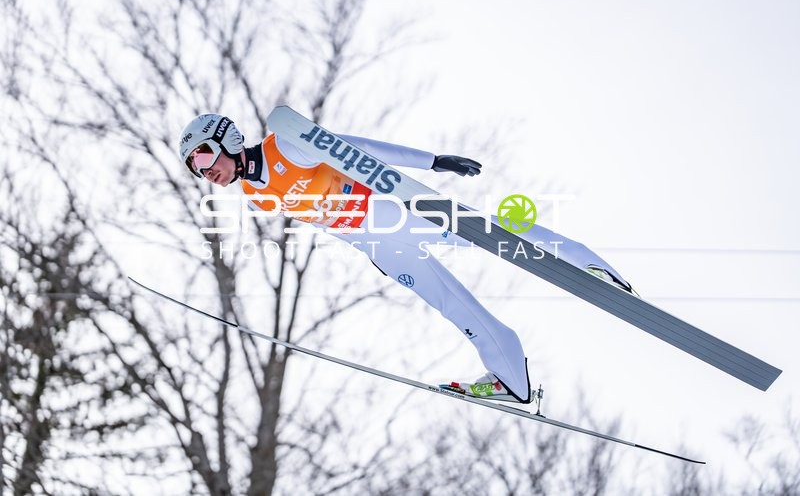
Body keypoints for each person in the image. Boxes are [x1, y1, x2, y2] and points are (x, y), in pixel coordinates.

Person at [179, 113, 634, 403]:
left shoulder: (286, 144)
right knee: (452, 303)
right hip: (374, 243)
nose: (205, 172)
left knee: (491, 235)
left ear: (226, 138)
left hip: (391, 208)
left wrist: (432, 161)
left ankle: (584, 262)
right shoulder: (257, 197)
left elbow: (358, 149)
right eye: (196, 169)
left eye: (203, 156)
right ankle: (509, 375)